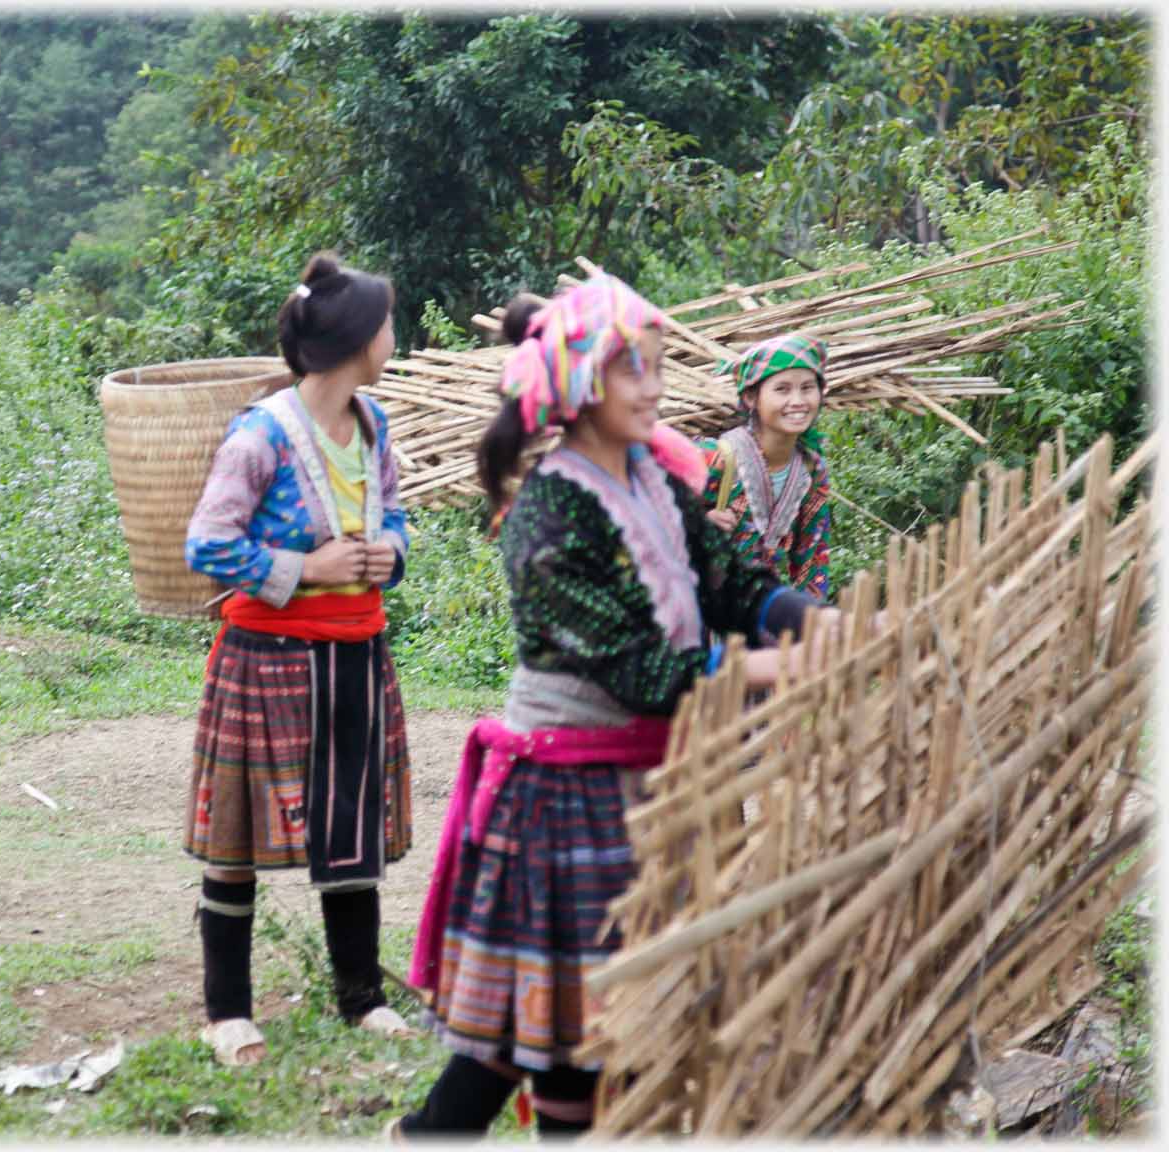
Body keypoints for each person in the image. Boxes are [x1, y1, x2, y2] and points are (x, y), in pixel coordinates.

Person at [396, 272, 837, 1140]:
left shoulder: (652, 483)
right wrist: (772, 670)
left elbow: (732, 581)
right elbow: (638, 665)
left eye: (660, 366)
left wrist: (811, 621)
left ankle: (429, 1136)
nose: (656, 386)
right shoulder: (550, 510)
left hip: (644, 783)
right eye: (634, 368)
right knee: (577, 1030)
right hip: (565, 791)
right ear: (578, 382)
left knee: (585, 1014)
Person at [183, 253, 414, 1066]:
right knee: (236, 836)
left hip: (357, 652)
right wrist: (304, 570)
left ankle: (362, 998)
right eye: (387, 322)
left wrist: (390, 551)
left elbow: (398, 517)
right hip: (268, 657)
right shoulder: (261, 435)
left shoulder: (373, 423)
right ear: (357, 338)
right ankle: (227, 1011)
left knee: (352, 825)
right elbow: (207, 543)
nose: (394, 333)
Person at [701, 332, 835, 599]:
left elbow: (813, 558)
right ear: (751, 397)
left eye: (807, 388)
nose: (797, 401)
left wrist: (812, 623)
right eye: (782, 389)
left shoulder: (810, 469)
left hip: (758, 618)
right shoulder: (714, 457)